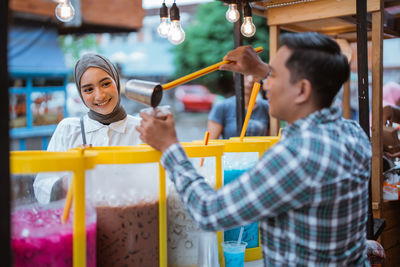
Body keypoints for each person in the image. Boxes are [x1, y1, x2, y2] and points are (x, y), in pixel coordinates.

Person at [137, 32, 372, 266]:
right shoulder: (353, 133)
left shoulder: (295, 156)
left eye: (274, 75)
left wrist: (169, 148)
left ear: (302, 91)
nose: (264, 84)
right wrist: (261, 69)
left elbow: (209, 212)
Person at [33, 53, 141, 203]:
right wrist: (69, 179)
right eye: (88, 89)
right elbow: (41, 188)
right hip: (81, 224)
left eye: (105, 84)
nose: (99, 96)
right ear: (80, 93)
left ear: (116, 82)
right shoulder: (68, 129)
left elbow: (160, 187)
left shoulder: (141, 129)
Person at [207, 74, 270, 139]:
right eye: (245, 74)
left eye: (254, 74)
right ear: (235, 76)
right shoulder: (222, 107)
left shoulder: (267, 107)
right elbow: (211, 142)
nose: (251, 79)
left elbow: (271, 140)